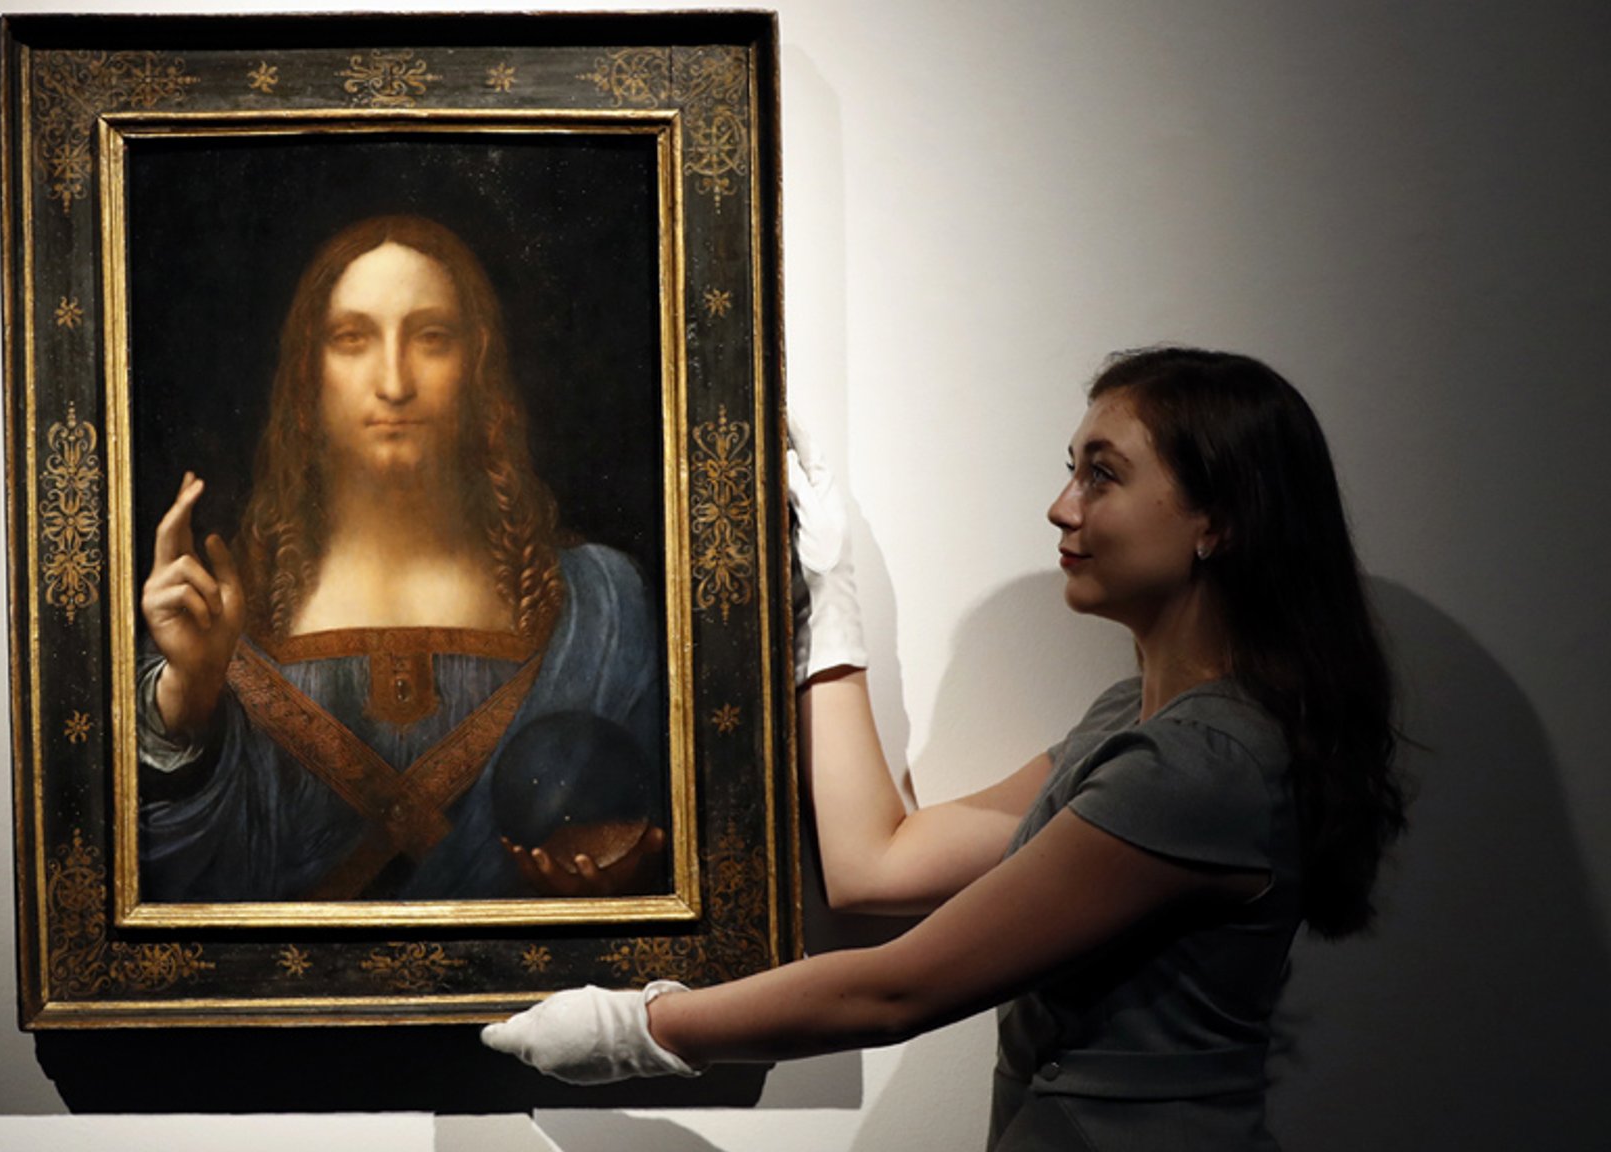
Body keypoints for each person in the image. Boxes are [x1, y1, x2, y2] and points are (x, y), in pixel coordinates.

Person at [484, 348, 1408, 1150]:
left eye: (1103, 475)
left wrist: (636, 1030)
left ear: (1218, 521)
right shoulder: (1135, 723)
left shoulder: (1199, 771)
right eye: (1070, 469)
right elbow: (875, 866)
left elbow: (897, 992)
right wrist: (830, 607)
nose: (1059, 506)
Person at [135, 214, 667, 903]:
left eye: (432, 338)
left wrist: (625, 875)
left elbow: (657, 838)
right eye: (352, 339)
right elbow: (165, 876)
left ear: (477, 367)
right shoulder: (222, 612)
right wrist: (190, 690)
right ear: (307, 373)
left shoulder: (604, 605)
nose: (394, 382)